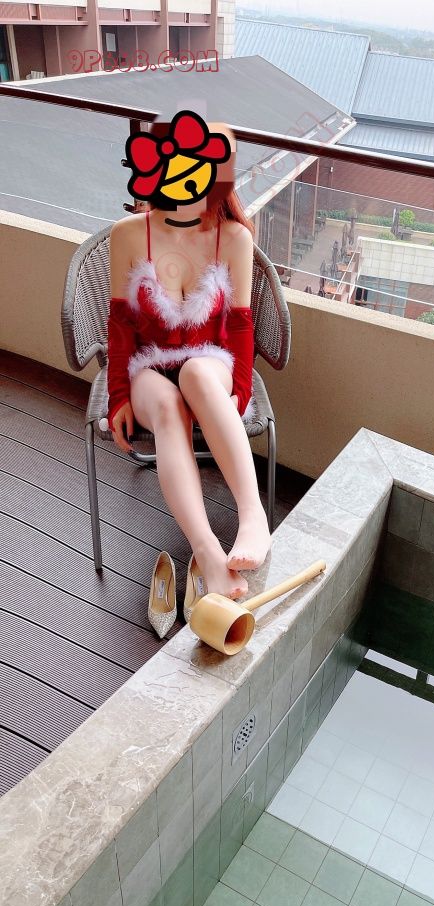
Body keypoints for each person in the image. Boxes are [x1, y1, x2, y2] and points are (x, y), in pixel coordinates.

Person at [107, 120, 270, 601]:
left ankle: (253, 516)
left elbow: (240, 329)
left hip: (210, 362)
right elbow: (120, 326)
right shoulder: (129, 234)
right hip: (148, 365)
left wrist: (240, 391)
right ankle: (209, 554)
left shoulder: (233, 237)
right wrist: (118, 397)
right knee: (166, 404)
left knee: (197, 373)